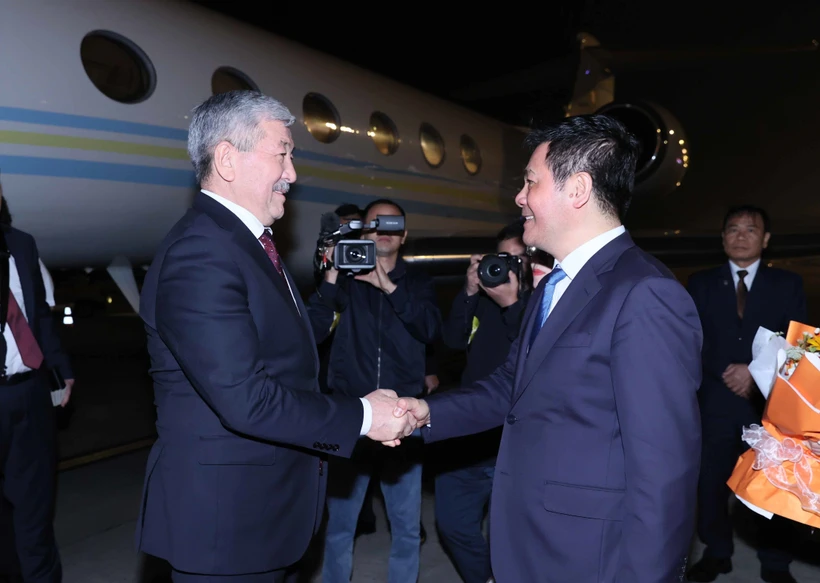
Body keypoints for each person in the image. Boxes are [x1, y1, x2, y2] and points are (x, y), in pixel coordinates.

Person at [392, 114, 703, 583]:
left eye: (530, 182)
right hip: (529, 541)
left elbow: (665, 472)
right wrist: (423, 411)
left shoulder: (645, 293)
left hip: (588, 556)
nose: (519, 197)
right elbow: (508, 390)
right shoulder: (554, 285)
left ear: (577, 189)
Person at [136, 90, 414, 582]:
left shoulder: (246, 243)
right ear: (227, 158)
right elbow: (246, 398)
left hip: (268, 520)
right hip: (227, 533)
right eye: (282, 153)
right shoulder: (201, 253)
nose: (292, 173)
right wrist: (365, 415)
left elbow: (289, 353)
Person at [308, 198, 441, 583]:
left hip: (404, 419)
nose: (383, 229)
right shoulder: (347, 278)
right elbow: (315, 329)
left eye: (392, 223)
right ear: (363, 231)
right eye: (374, 223)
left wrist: (388, 286)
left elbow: (431, 330)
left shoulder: (417, 281)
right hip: (353, 416)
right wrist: (332, 271)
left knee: (406, 528)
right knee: (339, 526)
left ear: (404, 235)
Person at [686, 206, 806, 583]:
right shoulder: (699, 283)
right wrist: (725, 372)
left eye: (750, 230)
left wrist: (754, 375)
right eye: (733, 229)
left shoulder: (788, 284)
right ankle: (717, 552)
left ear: (765, 239)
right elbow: (689, 342)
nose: (740, 236)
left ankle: (775, 563)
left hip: (765, 405)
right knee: (709, 484)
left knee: (771, 484)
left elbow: (797, 343)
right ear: (723, 237)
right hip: (714, 403)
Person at [435, 220, 534, 583]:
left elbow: (531, 356)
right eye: (502, 258)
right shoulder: (481, 299)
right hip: (470, 437)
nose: (509, 267)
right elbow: (452, 343)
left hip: (517, 444)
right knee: (452, 523)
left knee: (511, 538)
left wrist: (512, 304)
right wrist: (469, 289)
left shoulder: (541, 303)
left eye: (519, 259)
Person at [0, 184, 74, 583]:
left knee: (35, 511)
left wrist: (62, 368)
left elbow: (40, 317)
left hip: (29, 393)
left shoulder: (22, 246)